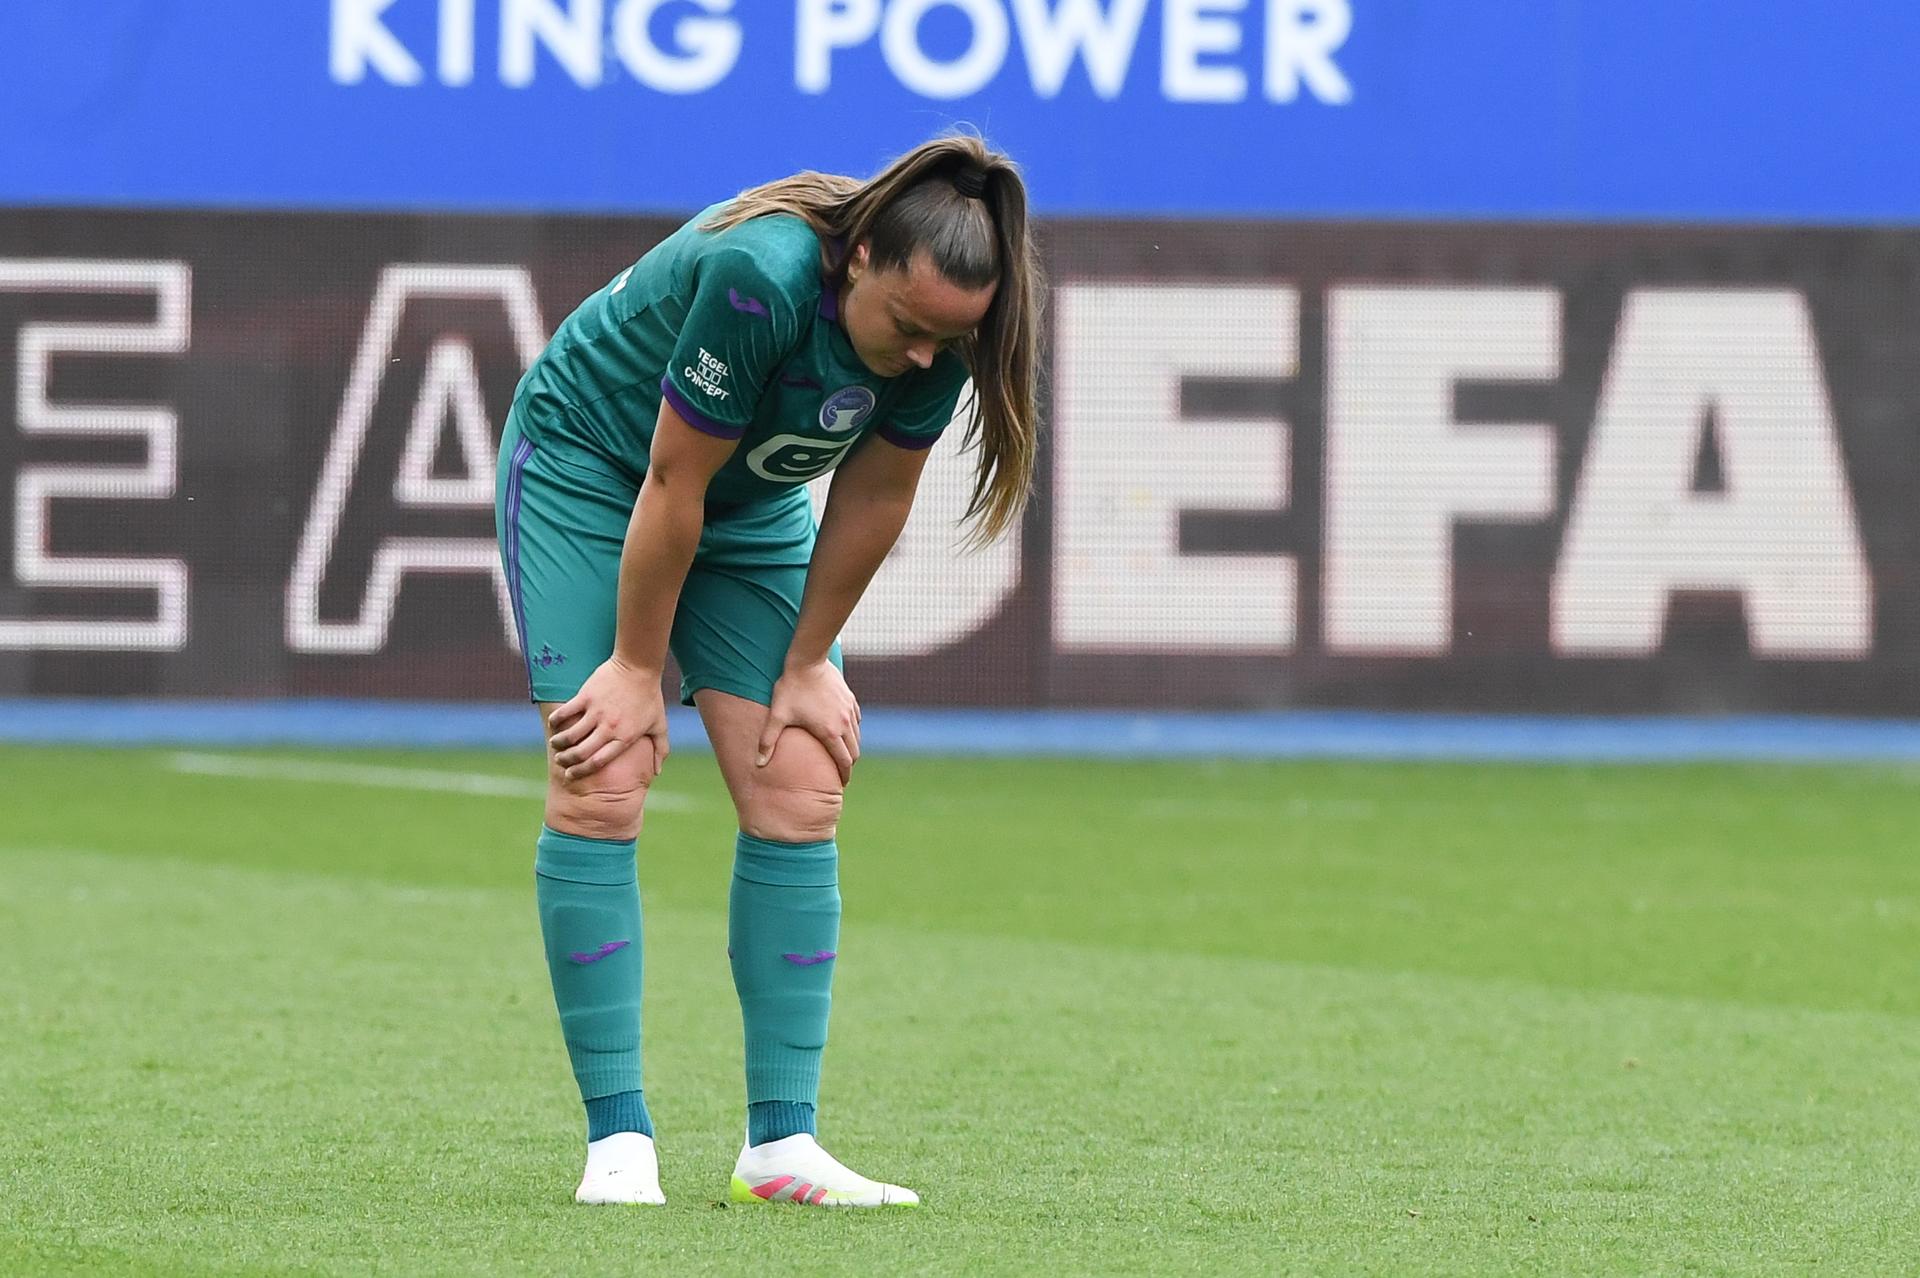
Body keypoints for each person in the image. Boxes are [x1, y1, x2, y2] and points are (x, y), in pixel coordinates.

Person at [493, 134, 1041, 1208]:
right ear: (861, 256)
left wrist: (805, 667)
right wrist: (637, 671)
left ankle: (780, 1146)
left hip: (742, 509)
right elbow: (669, 480)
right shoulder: (763, 278)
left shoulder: (942, 338)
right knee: (604, 774)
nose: (927, 358)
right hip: (592, 469)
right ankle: (619, 1145)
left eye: (949, 340)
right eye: (909, 327)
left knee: (801, 777)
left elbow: (875, 499)